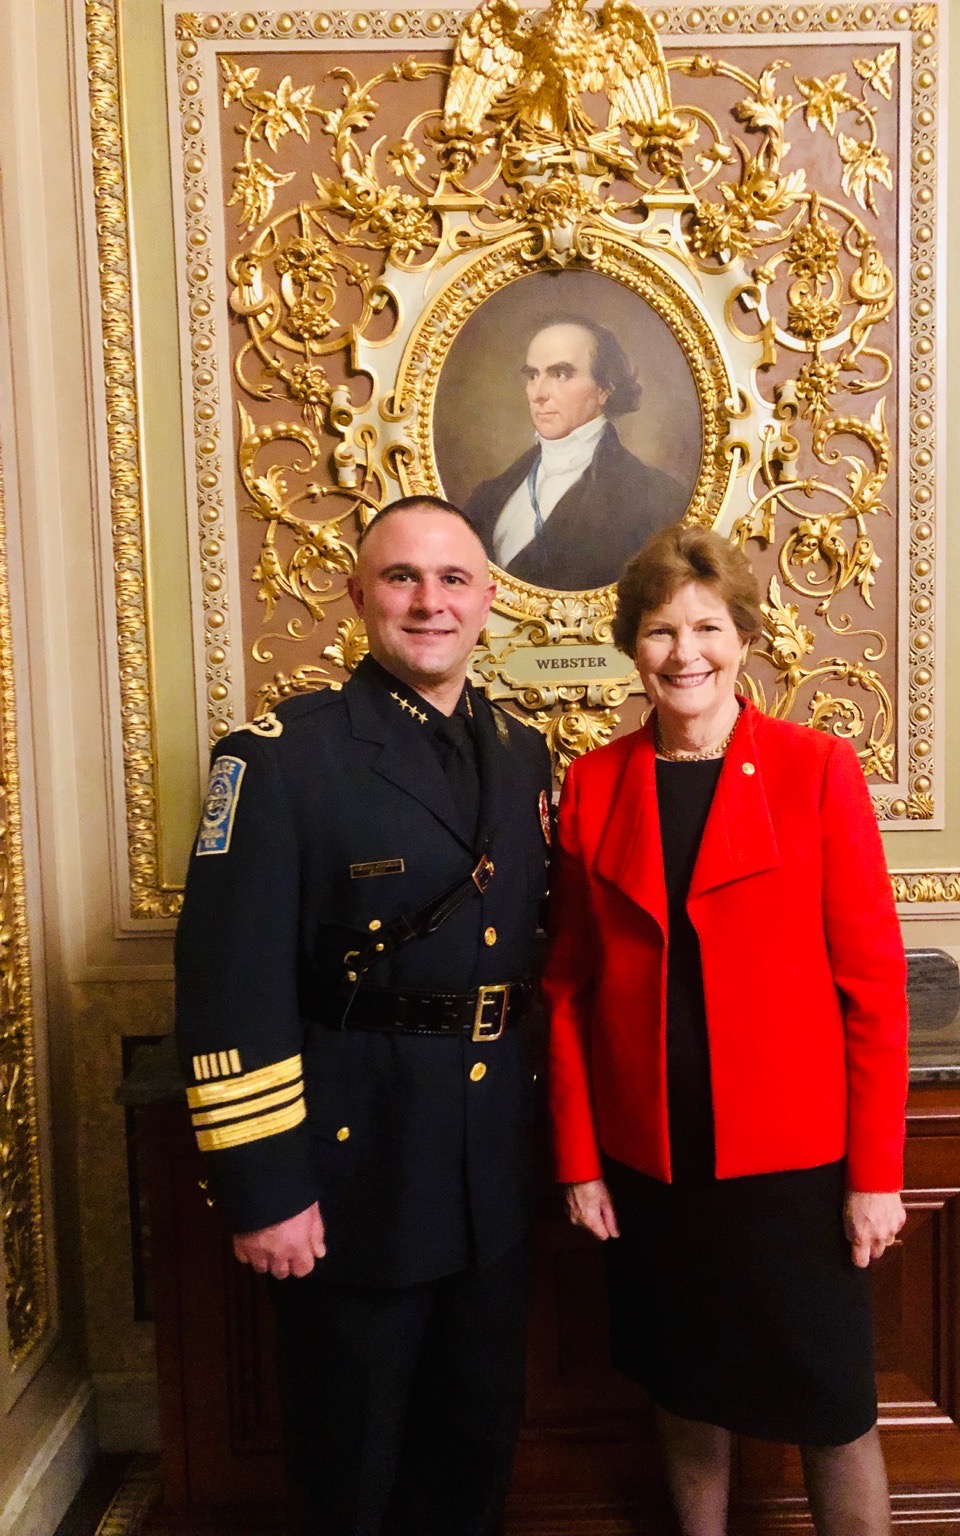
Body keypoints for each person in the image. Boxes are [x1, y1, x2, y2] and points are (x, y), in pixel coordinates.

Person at [174, 495, 553, 1536]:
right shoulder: (281, 757)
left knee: (474, 1444)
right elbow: (227, 981)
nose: (429, 602)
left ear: (488, 601)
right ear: (358, 597)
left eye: (453, 580)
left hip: (489, 1173)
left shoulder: (521, 753)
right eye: (402, 578)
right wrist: (263, 1187)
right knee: (352, 1461)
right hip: (355, 1170)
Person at [544, 524, 908, 1536]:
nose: (684, 652)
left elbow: (873, 989)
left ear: (745, 637)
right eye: (660, 630)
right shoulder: (594, 784)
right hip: (653, 1161)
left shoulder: (816, 769)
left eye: (707, 626)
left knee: (832, 1408)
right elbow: (566, 988)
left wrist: (875, 1176)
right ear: (634, 646)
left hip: (793, 1162)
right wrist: (580, 1162)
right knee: (684, 1391)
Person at [465, 314, 690, 591]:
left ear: (604, 389)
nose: (538, 393)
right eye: (533, 375)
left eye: (560, 374)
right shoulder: (489, 496)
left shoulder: (657, 500)